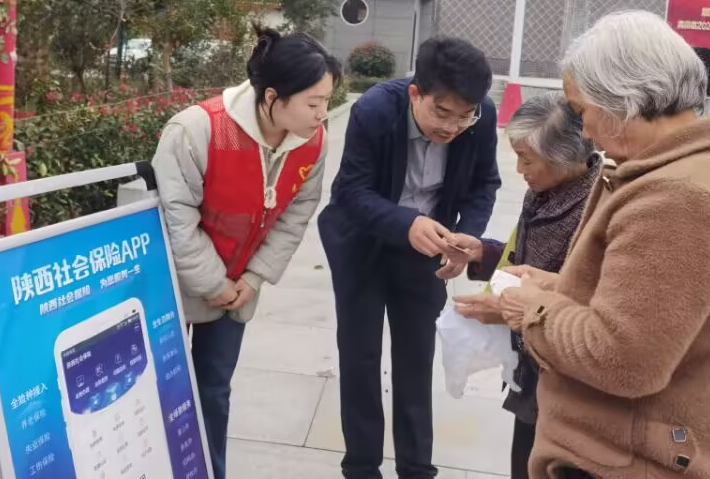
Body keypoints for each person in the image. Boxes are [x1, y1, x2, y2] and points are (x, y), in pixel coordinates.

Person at [455, 11, 710, 479]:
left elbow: (624, 359)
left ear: (621, 101)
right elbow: (648, 308)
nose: (586, 131)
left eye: (583, 112)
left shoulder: (678, 200)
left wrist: (530, 308)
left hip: (627, 461)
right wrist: (556, 285)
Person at [153, 26, 342, 479]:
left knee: (214, 392)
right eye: (313, 103)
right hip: (171, 287)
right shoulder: (196, 129)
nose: (322, 114)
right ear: (272, 97)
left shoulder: (311, 142)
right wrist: (213, 284)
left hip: (237, 286)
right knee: (163, 394)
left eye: (327, 102)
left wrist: (252, 279)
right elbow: (176, 219)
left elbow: (295, 215)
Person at [319, 36, 502, 479]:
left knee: (416, 358)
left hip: (428, 246)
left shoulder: (481, 116)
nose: (453, 127)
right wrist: (405, 222)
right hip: (363, 241)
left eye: (464, 116)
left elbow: (484, 183)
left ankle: (416, 469)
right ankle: (361, 467)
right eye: (442, 113)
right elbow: (350, 191)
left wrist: (466, 236)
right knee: (360, 356)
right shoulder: (375, 110)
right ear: (416, 93)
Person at [464, 93, 599, 479]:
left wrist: (511, 307)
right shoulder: (542, 193)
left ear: (563, 157)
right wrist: (483, 252)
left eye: (527, 159)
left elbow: (589, 294)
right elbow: (523, 258)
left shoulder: (595, 207)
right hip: (531, 368)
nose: (520, 169)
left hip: (567, 379)